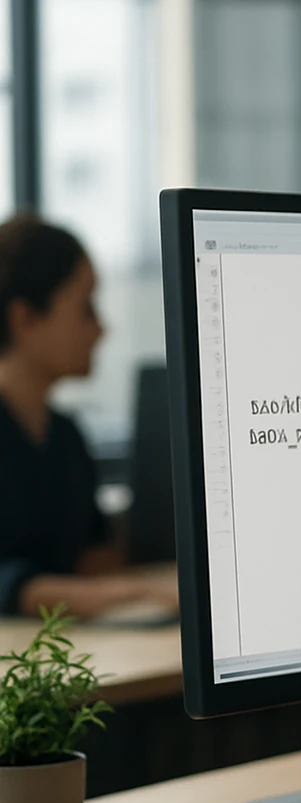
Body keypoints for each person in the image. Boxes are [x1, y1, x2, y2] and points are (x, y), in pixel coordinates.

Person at [0, 214, 179, 619]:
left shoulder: (65, 436)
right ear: (24, 317)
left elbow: (94, 561)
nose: (102, 329)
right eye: (86, 308)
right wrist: (129, 593)